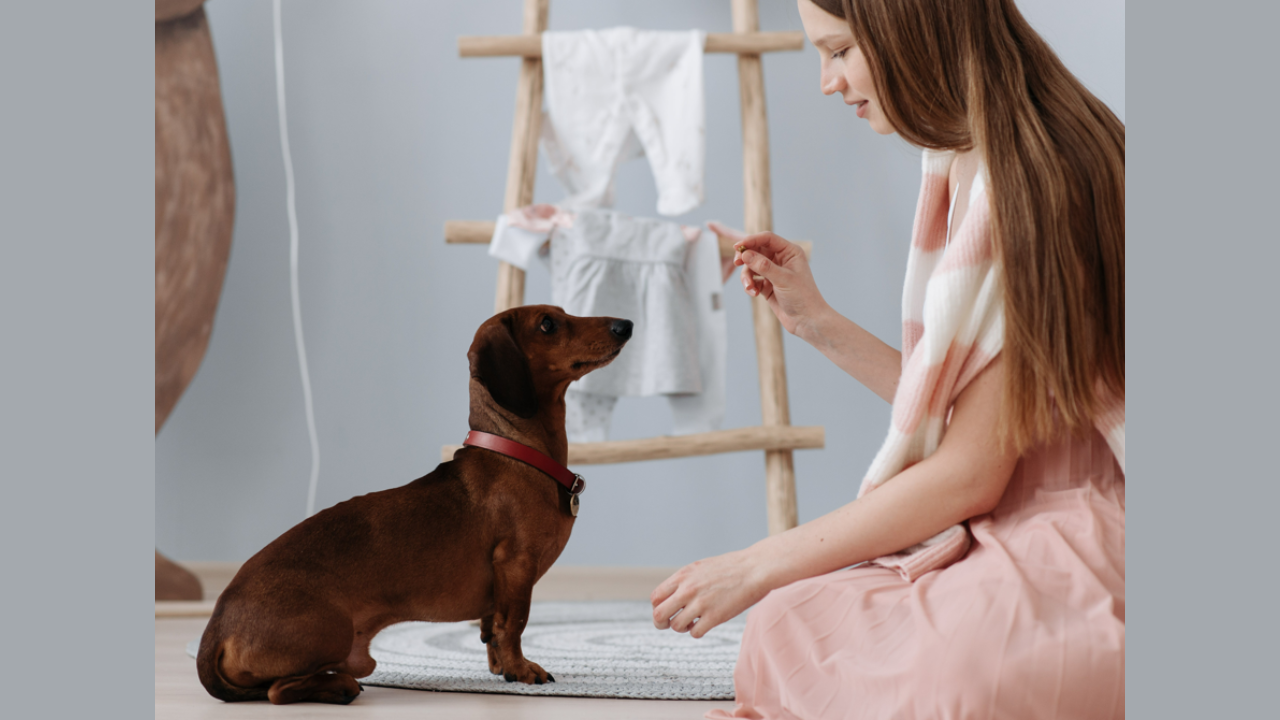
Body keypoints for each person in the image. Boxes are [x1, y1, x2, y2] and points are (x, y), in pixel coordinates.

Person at [649, 0, 1125, 718]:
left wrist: (753, 565)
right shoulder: (969, 154)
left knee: (951, 679)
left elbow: (972, 473)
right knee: (787, 628)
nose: (826, 81)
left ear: (910, 27)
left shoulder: (1032, 174)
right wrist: (818, 323)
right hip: (1018, 513)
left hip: (1077, 526)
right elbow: (988, 417)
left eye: (838, 50)